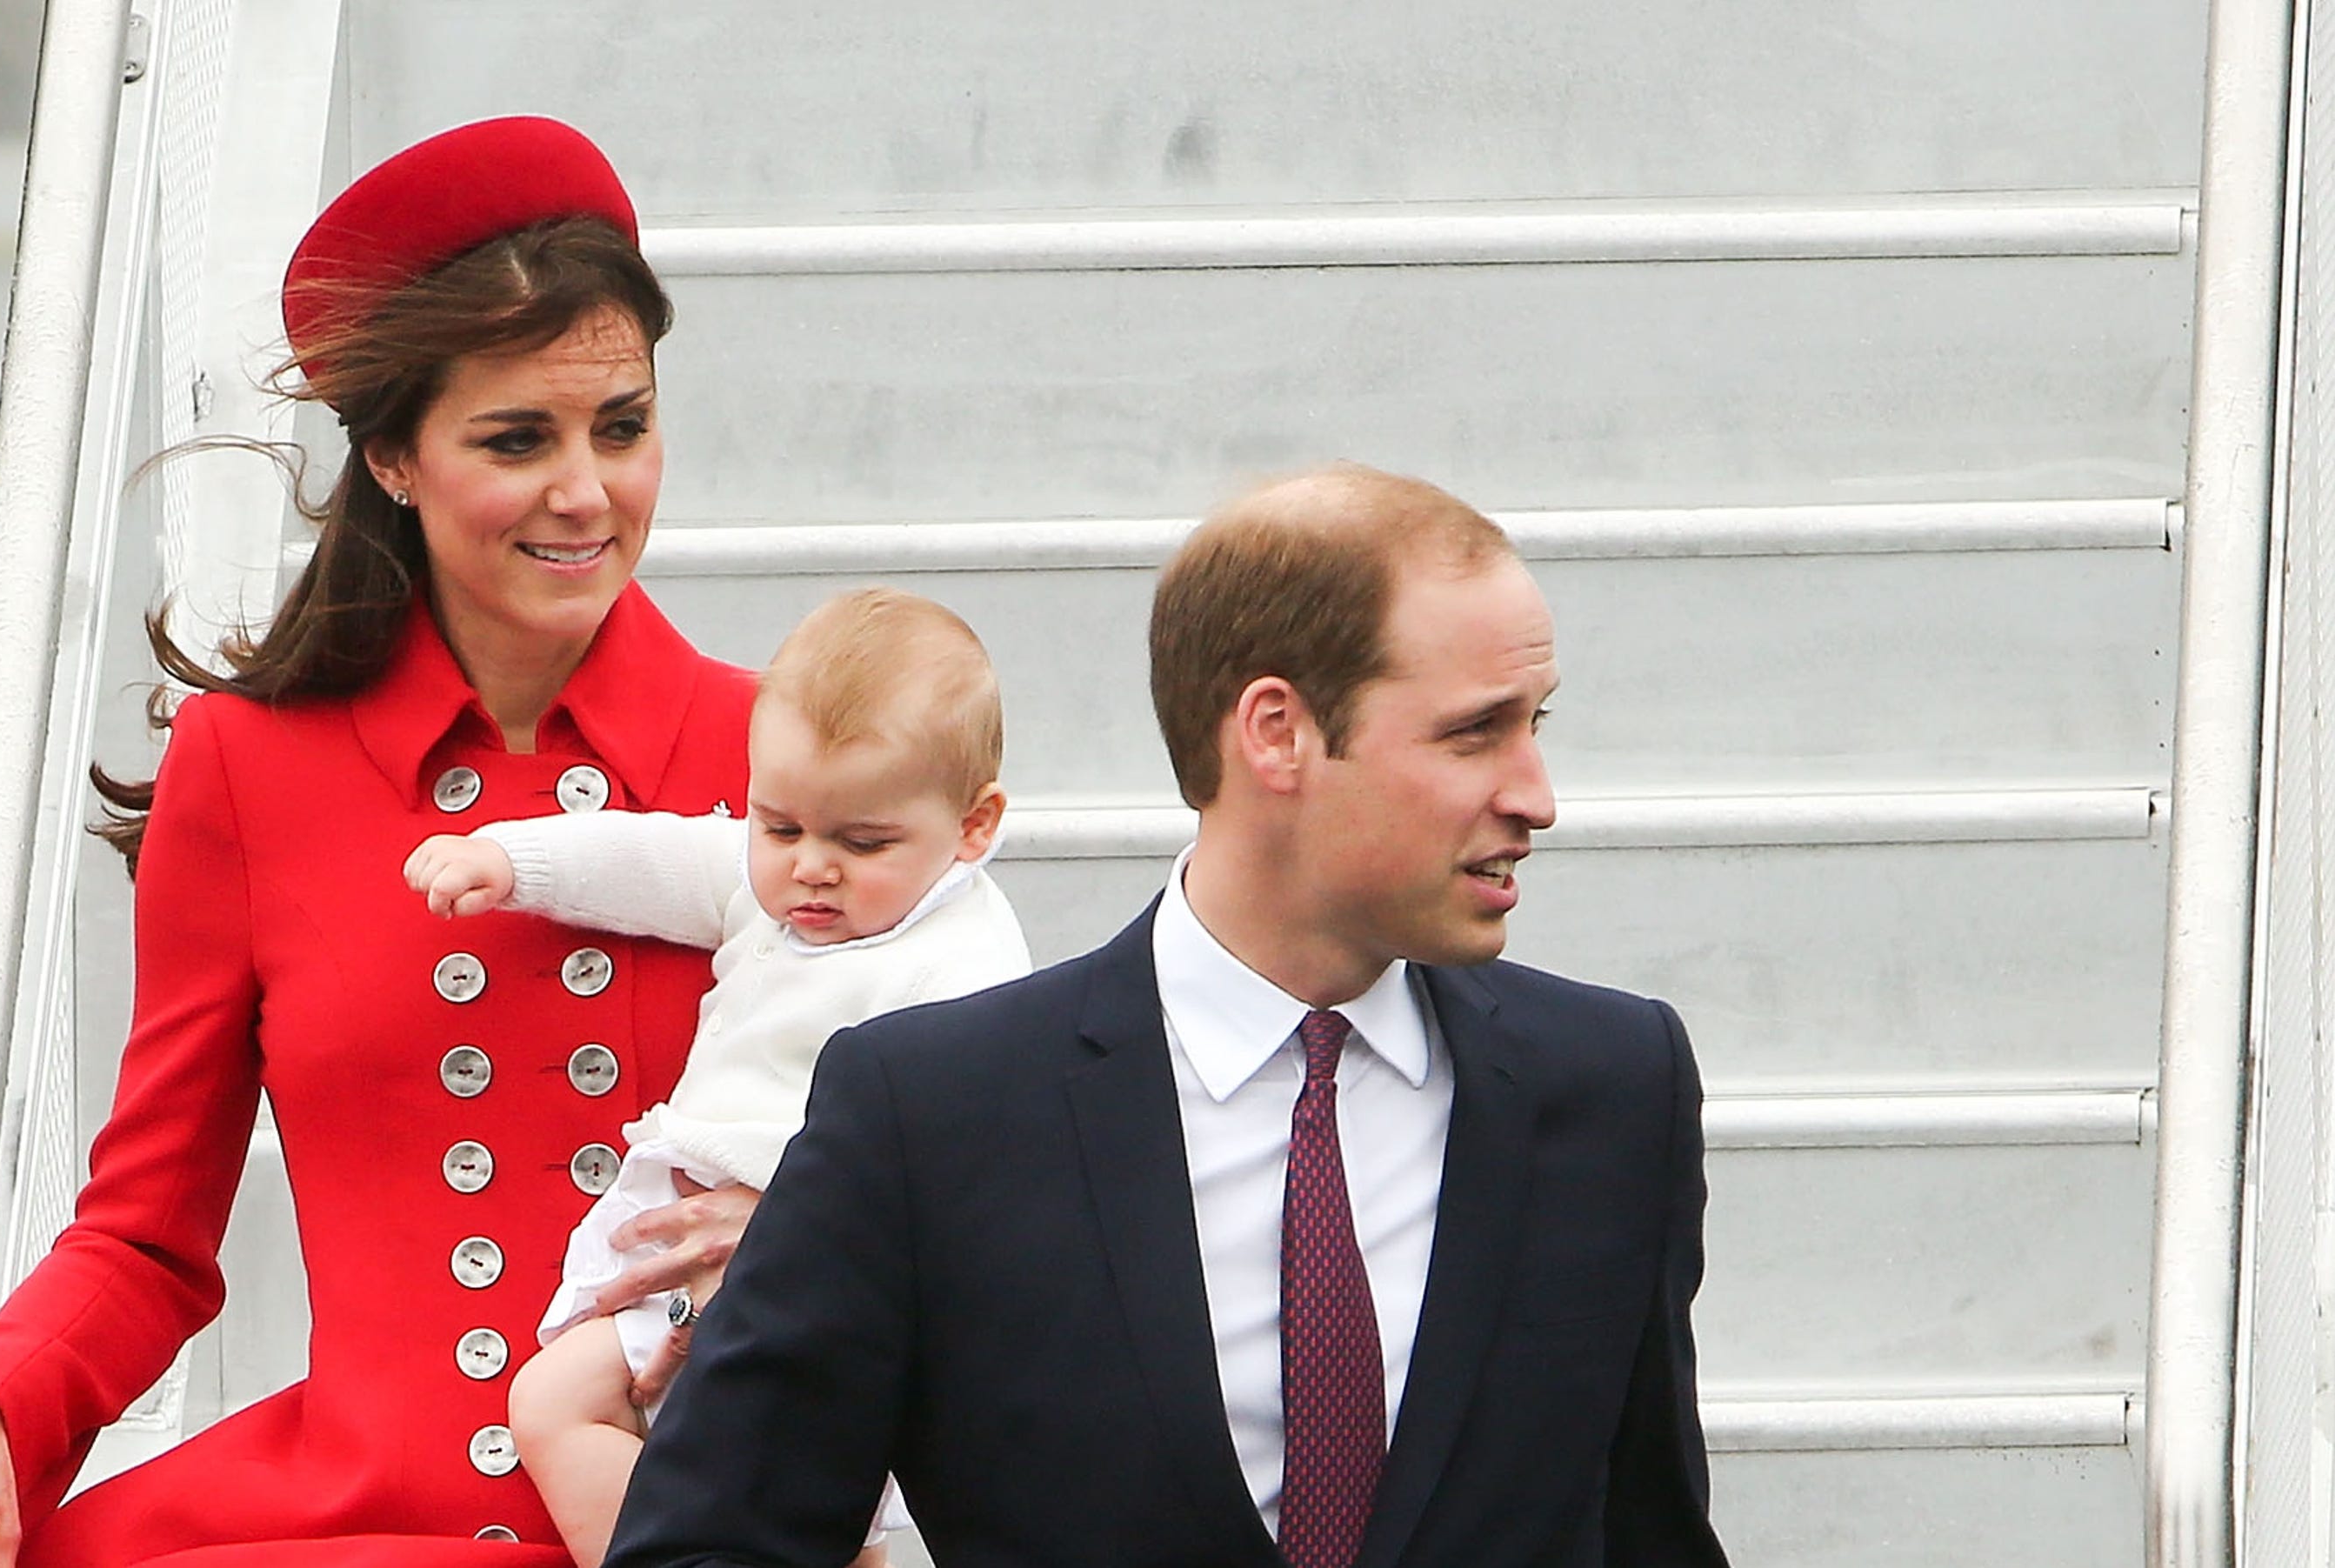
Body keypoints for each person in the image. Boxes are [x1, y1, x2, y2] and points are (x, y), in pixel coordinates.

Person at [0, 117, 766, 1568]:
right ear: (394, 457)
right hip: (363, 1509)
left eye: (621, 424)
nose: (587, 492)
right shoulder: (247, 766)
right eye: (514, 439)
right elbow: (148, 1231)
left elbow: (933, 1162)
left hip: (678, 1516)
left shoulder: (773, 756)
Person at [603, 464, 1733, 1568]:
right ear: (1275, 731)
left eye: (1533, 723)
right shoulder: (928, 1112)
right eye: (1474, 731)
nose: (1535, 792)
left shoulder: (1615, 1086)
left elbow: (1651, 1532)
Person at [403, 587, 1032, 1568]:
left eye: (861, 843)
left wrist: (812, 1228)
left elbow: (972, 1147)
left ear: (973, 825)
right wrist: (506, 858)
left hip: (821, 1273)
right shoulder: (765, 891)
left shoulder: (963, 960)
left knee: (639, 1427)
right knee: (589, 1416)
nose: (811, 870)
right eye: (780, 828)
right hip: (684, 1243)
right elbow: (650, 856)